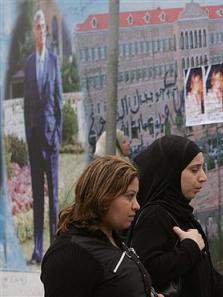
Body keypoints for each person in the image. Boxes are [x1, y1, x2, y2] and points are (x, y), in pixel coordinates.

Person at [128, 135, 223, 297]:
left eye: (202, 168)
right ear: (171, 172)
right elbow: (146, 271)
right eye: (194, 170)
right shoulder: (155, 216)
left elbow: (207, 277)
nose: (203, 177)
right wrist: (189, 248)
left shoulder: (181, 213)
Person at [41, 155, 163, 297]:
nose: (136, 206)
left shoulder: (111, 238)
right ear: (103, 196)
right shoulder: (70, 254)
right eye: (130, 196)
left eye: (136, 196)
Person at [23, 9, 63, 264]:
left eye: (44, 29)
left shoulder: (53, 61)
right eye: (38, 28)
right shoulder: (28, 63)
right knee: (38, 197)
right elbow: (27, 103)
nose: (42, 32)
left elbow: (59, 102)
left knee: (54, 198)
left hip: (52, 140)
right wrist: (28, 135)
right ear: (33, 32)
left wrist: (58, 134)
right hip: (35, 140)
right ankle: (38, 251)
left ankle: (55, 249)